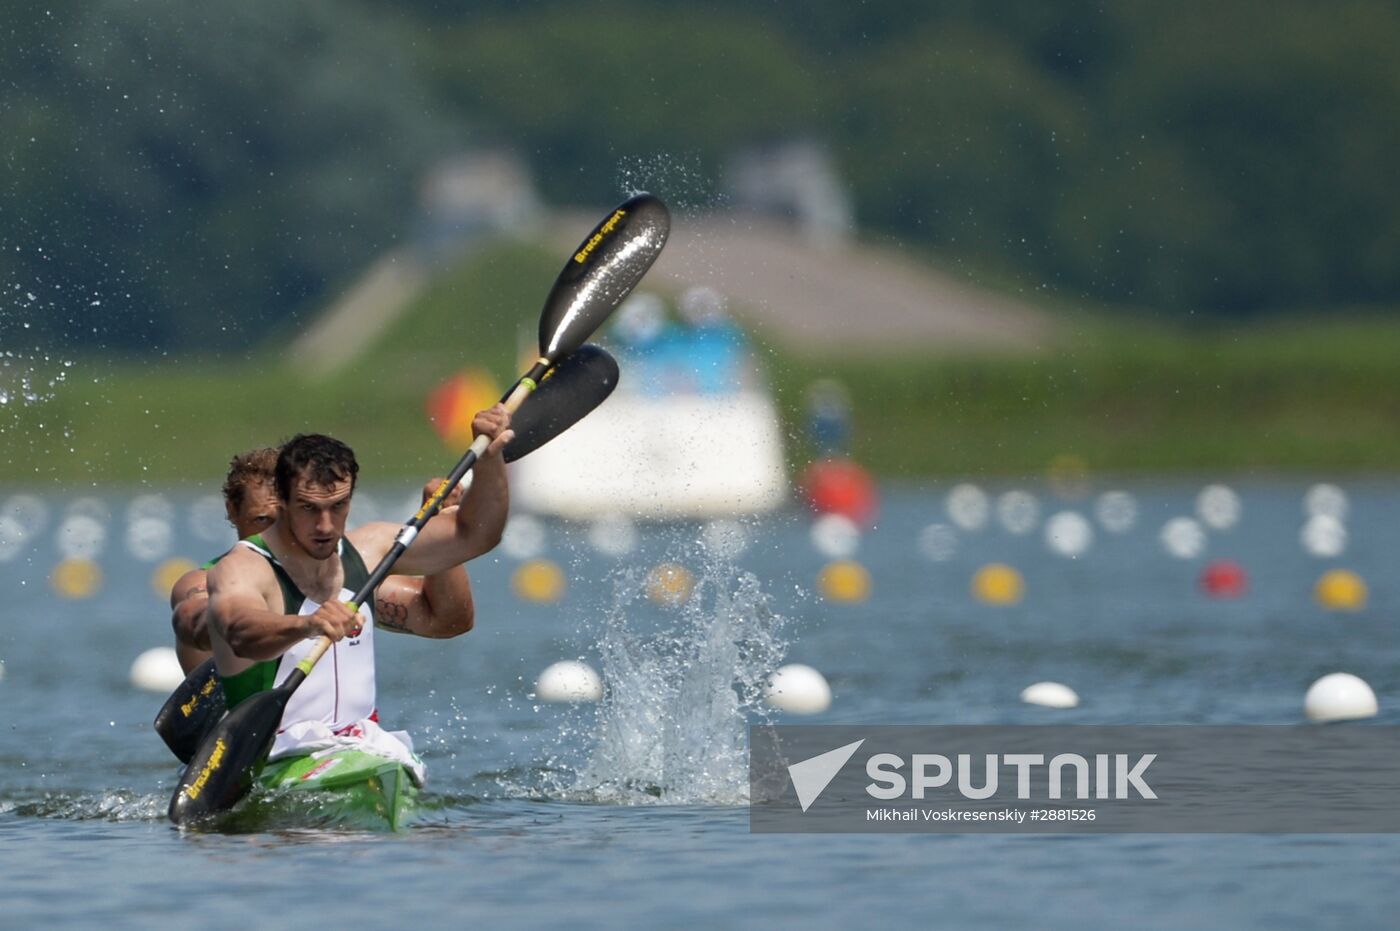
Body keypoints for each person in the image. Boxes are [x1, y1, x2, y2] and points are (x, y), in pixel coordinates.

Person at [204, 407, 512, 781]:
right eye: (309, 509)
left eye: (338, 507)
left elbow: (476, 535)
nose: (325, 526)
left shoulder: (370, 550)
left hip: (363, 747)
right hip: (273, 756)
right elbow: (241, 630)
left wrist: (491, 459)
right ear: (281, 500)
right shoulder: (244, 567)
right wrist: (306, 625)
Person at [171, 449, 476, 675]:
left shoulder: (336, 583)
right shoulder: (203, 583)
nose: (276, 535)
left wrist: (441, 518)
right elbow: (193, 620)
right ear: (232, 511)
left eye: (287, 520)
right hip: (239, 742)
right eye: (262, 520)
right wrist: (302, 625)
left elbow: (447, 620)